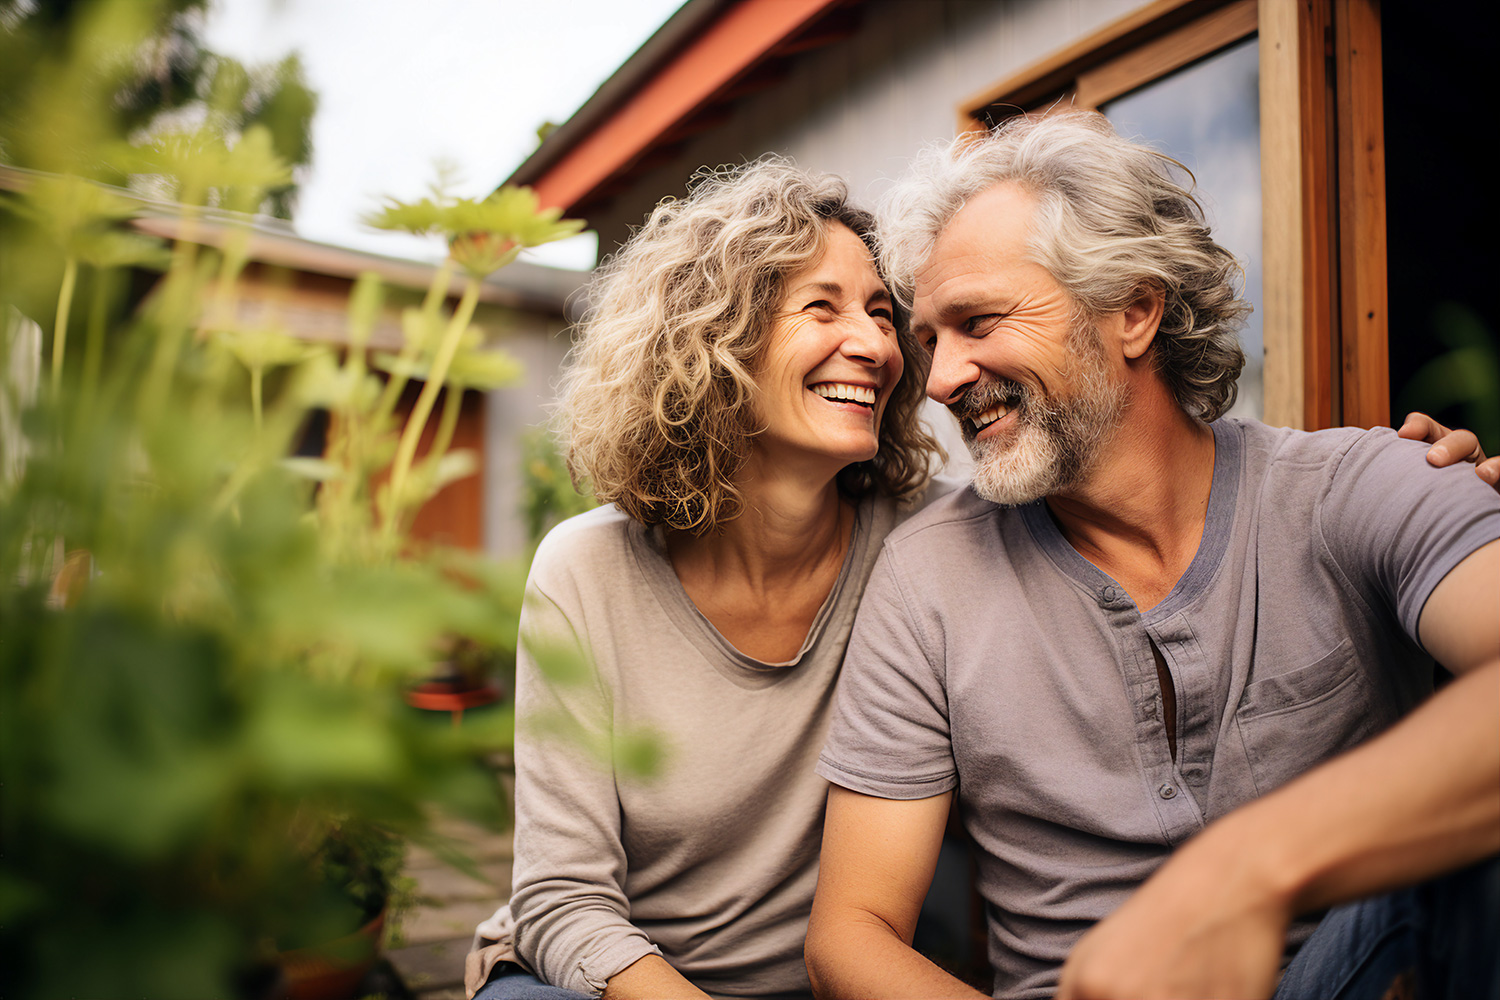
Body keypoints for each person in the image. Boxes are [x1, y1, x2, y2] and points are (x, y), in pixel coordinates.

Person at [805, 110, 1500, 1000]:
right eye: (931, 339)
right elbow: (849, 937)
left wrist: (1246, 872)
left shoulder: (1363, 485)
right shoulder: (927, 577)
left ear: (1134, 309)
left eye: (978, 321)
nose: (938, 380)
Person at [464, 157, 948, 1000]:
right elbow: (559, 899)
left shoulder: (928, 543)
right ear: (714, 342)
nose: (874, 346)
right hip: (604, 984)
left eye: (880, 313)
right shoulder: (587, 571)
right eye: (821, 309)